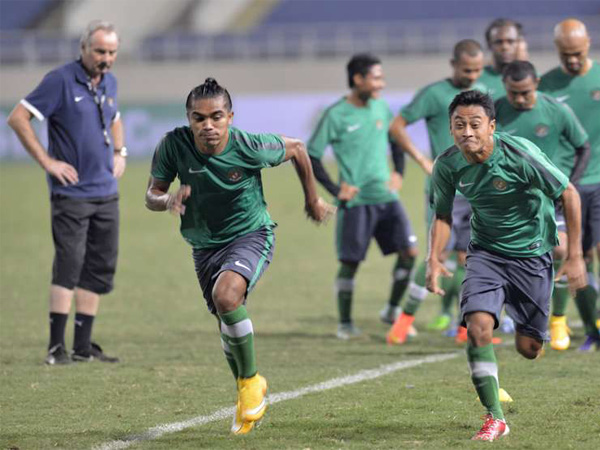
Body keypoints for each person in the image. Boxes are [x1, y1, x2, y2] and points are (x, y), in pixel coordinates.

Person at [145, 78, 334, 434]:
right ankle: (249, 387)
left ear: (230, 116)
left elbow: (296, 148)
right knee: (225, 320)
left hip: (251, 233)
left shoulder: (249, 146)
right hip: (203, 244)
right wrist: (167, 200)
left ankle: (249, 382)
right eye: (199, 118)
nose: (208, 126)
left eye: (216, 117)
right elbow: (151, 194)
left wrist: (312, 199)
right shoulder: (173, 145)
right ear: (189, 119)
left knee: (226, 296)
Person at [427, 90, 586, 441]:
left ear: (492, 126)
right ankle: (494, 418)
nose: (467, 132)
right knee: (478, 325)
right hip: (485, 253)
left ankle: (523, 316)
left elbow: (569, 193)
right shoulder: (448, 164)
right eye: (459, 125)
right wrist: (433, 258)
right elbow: (441, 214)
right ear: (451, 128)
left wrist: (574, 256)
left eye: (474, 124)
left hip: (532, 255)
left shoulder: (520, 154)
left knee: (529, 350)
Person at [6, 20, 125, 365]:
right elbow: (18, 118)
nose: (106, 58)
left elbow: (115, 117)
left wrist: (121, 152)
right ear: (84, 49)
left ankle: (83, 347)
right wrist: (47, 162)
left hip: (106, 192)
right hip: (71, 194)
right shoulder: (60, 80)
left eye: (112, 52)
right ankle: (57, 348)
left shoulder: (111, 81)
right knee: (69, 266)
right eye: (100, 51)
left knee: (98, 267)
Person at [307, 53, 430, 340]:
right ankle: (345, 323)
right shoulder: (335, 114)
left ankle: (390, 310)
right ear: (358, 79)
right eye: (376, 77)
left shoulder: (381, 107)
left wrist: (399, 170)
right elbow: (311, 155)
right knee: (350, 263)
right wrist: (336, 190)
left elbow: (394, 138)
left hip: (386, 197)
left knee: (410, 253)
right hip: (356, 203)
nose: (381, 84)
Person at [386, 39, 485, 344]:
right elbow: (396, 127)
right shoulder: (433, 94)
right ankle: (403, 321)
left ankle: (463, 327)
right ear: (453, 64)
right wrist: (423, 160)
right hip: (446, 186)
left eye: (478, 70)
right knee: (437, 252)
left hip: (477, 187)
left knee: (471, 257)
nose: (472, 75)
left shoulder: (483, 93)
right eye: (467, 70)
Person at [495, 60, 591, 350]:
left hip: (549, 200)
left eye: (525, 92)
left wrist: (567, 184)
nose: (520, 99)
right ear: (505, 88)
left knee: (561, 249)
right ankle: (513, 315)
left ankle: (558, 319)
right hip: (506, 201)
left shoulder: (556, 110)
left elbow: (582, 146)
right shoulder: (495, 111)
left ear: (536, 82)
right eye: (514, 93)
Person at [539, 18, 600, 351]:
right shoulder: (546, 85)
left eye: (577, 53)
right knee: (575, 255)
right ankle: (569, 322)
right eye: (565, 55)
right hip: (566, 183)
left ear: (588, 43)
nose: (572, 61)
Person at [478, 18, 525, 100]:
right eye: (499, 42)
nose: (505, 47)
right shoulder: (476, 79)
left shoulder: (532, 78)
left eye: (510, 41)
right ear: (489, 45)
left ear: (518, 43)